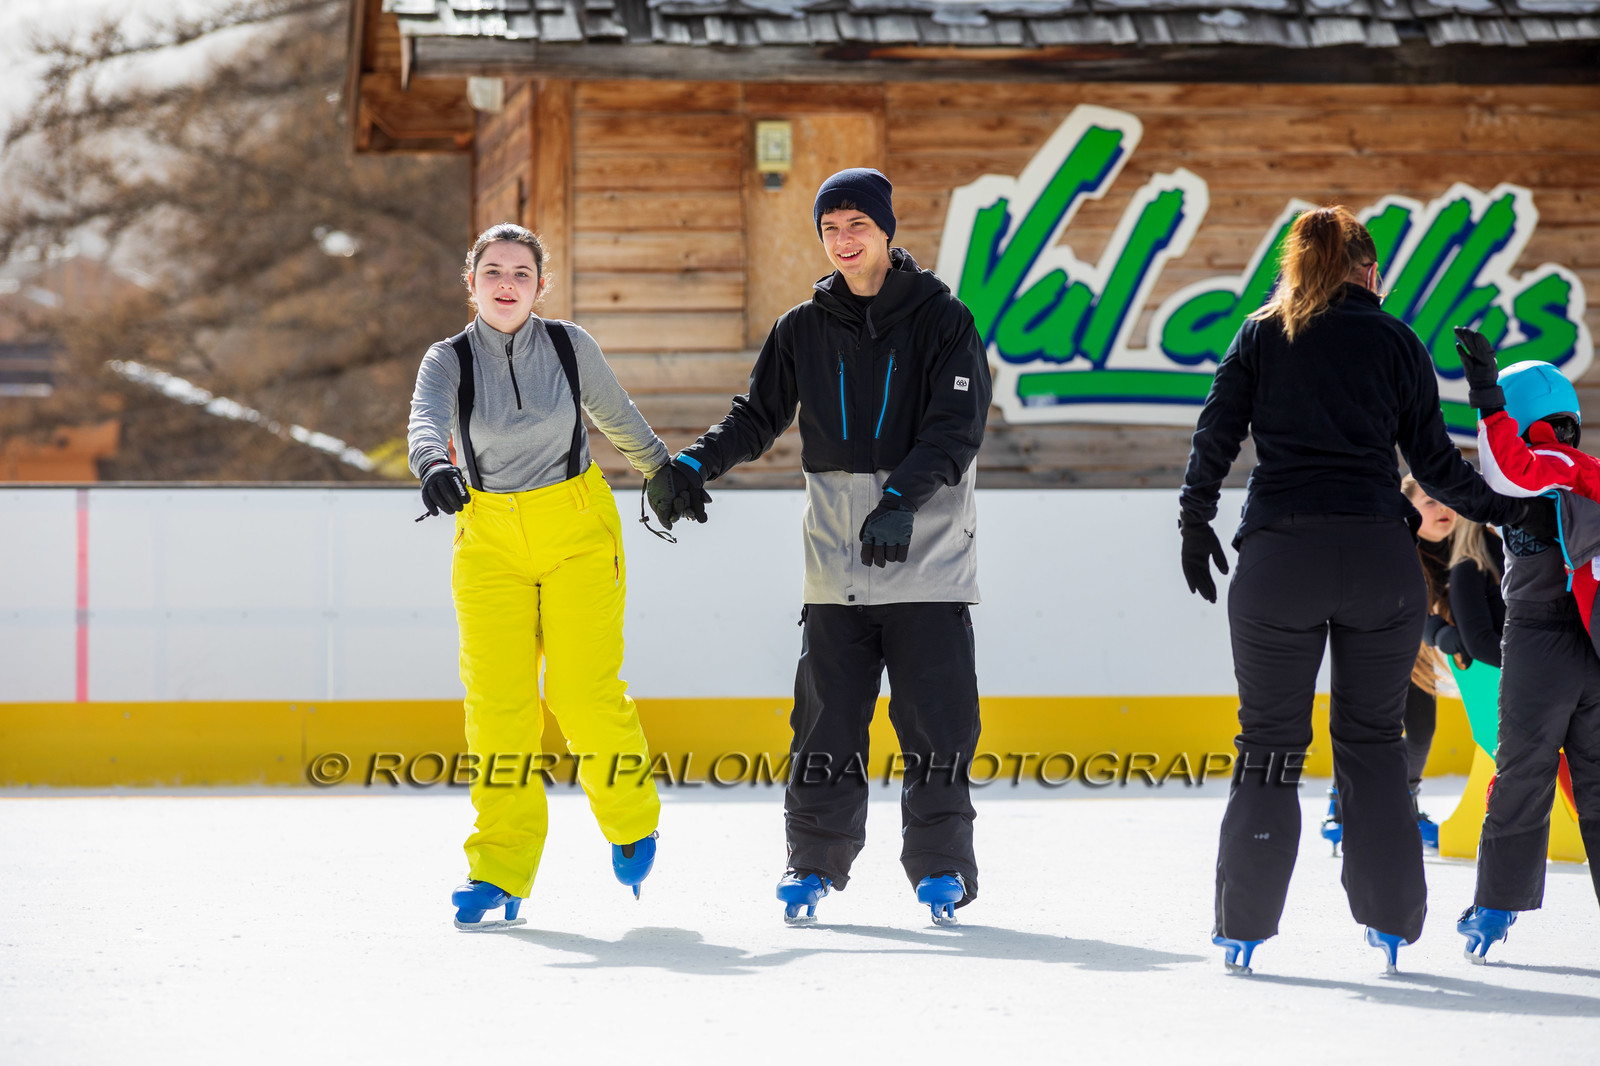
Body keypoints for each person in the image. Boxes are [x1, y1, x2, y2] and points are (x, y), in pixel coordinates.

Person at [1177, 206, 1555, 975]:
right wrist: (1515, 511)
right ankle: (1391, 925)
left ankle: (1242, 929)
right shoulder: (1395, 340)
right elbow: (1439, 471)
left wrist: (1195, 520)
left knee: (1269, 750)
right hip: (1381, 561)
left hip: (1281, 558)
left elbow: (1215, 434)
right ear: (1369, 269)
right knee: (1375, 746)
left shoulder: (1260, 332)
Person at [646, 168, 991, 926]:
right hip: (835, 566)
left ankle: (940, 868)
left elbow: (955, 431)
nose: (843, 239)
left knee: (937, 723)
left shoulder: (942, 319)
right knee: (826, 722)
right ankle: (812, 860)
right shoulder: (802, 326)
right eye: (830, 227)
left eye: (856, 224)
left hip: (926, 559)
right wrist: (695, 463)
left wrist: (901, 500)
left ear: (886, 230)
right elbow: (757, 415)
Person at [408, 222, 669, 930]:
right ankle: (499, 869)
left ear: (540, 285)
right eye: (493, 271)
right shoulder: (449, 358)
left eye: (521, 273)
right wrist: (433, 465)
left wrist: (665, 473)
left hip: (577, 529)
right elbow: (425, 424)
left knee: (583, 694)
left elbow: (619, 418)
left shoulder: (568, 346)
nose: (506, 284)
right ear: (471, 283)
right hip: (489, 538)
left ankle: (630, 818)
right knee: (498, 709)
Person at [1451, 327, 1600, 960]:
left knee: (1523, 775)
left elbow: (1508, 469)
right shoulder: (1581, 470)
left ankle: (1493, 906)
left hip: (1542, 642)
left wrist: (1486, 397)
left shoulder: (1554, 466)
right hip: (1587, 643)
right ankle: (1495, 904)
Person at [1319, 477, 1459, 854]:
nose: (1442, 510)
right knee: (1363, 727)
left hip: (1418, 654)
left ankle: (1407, 802)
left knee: (1421, 730)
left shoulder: (1464, 546)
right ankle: (1342, 802)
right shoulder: (1397, 544)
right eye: (1430, 502)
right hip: (1375, 644)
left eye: (1446, 501)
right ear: (1410, 509)